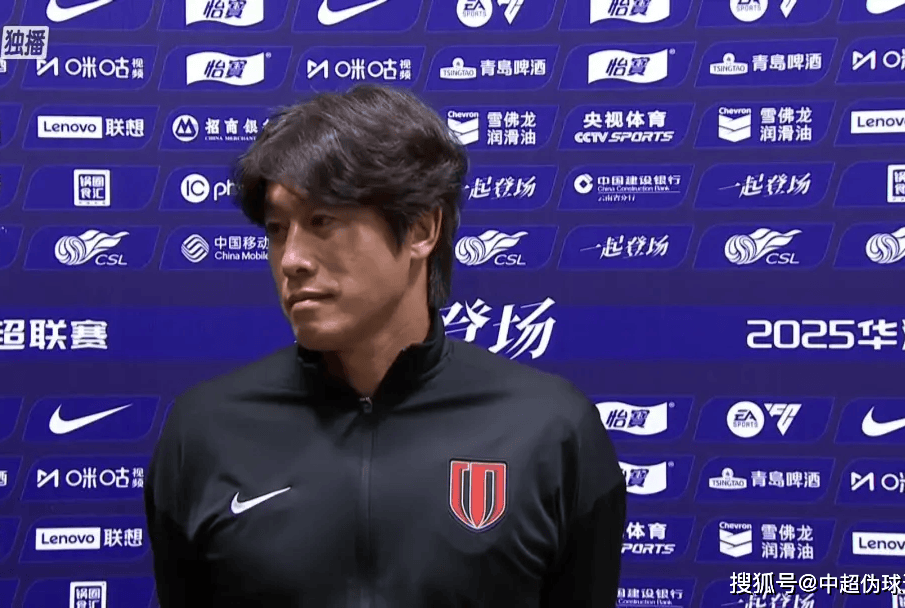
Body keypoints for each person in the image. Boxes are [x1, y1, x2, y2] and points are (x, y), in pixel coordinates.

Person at [144, 84, 627, 607]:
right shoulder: (204, 432)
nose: (292, 259)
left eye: (322, 221)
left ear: (420, 229)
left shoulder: (551, 430)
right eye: (278, 230)